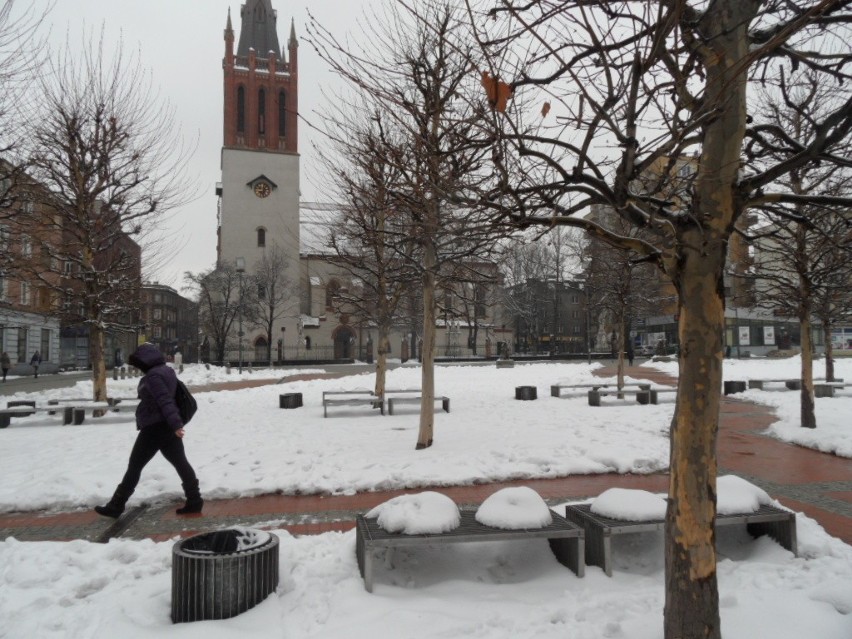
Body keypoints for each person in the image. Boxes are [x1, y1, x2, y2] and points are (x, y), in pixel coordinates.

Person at [95, 343, 202, 518]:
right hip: (166, 427)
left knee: (135, 466)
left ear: (146, 361)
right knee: (181, 463)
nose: (138, 367)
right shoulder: (166, 371)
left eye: (139, 363)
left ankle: (116, 505)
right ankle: (195, 500)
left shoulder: (154, 376)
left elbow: (165, 401)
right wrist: (174, 425)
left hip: (155, 427)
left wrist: (176, 424)